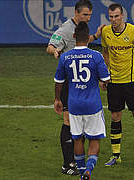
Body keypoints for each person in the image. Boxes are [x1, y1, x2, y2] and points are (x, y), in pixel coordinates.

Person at [46, 0, 103, 175]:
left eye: (90, 15)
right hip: (70, 84)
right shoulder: (65, 29)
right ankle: (68, 164)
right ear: (76, 13)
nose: (87, 18)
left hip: (80, 83)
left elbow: (82, 43)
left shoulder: (80, 30)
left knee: (79, 125)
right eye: (85, 15)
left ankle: (76, 161)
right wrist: (55, 51)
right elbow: (50, 46)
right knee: (69, 123)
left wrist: (95, 36)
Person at [54, 21, 110, 180]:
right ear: (88, 38)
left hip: (74, 104)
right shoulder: (96, 56)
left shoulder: (65, 57)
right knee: (95, 138)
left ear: (73, 36)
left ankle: (81, 169)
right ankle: (88, 171)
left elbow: (59, 82)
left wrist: (58, 99)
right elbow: (105, 78)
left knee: (78, 138)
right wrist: (101, 81)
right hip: (92, 105)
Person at [100, 3, 134, 168]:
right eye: (111, 17)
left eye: (116, 16)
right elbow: (105, 52)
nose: (113, 20)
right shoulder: (106, 32)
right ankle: (116, 155)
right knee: (115, 117)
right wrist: (105, 75)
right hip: (114, 83)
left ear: (122, 16)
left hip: (132, 82)